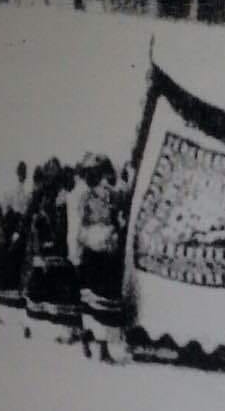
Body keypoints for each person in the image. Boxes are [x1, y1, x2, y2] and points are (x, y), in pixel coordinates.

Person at [76, 153, 129, 364]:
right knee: (94, 300)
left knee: (103, 301)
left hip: (105, 252)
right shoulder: (87, 198)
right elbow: (82, 224)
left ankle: (99, 344)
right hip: (95, 252)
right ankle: (93, 342)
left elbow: (117, 218)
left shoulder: (111, 196)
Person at [22, 158, 82, 342]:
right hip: (54, 249)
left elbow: (32, 221)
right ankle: (68, 330)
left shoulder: (42, 195)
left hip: (46, 249)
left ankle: (36, 326)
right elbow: (61, 224)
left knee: (44, 288)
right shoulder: (55, 196)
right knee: (61, 290)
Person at [0, 161, 31, 318]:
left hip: (20, 228)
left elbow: (27, 212)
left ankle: (17, 294)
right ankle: (5, 296)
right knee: (6, 257)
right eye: (20, 171)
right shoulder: (9, 190)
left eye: (24, 171)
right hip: (10, 227)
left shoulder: (27, 191)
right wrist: (3, 227)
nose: (22, 174)